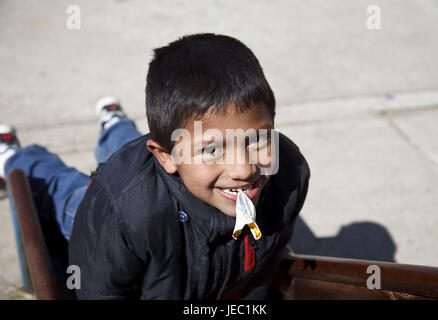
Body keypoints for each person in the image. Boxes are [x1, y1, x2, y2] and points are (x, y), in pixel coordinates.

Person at [0, 33, 310, 300]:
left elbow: (267, 264)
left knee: (128, 143)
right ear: (165, 156)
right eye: (212, 149)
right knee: (62, 190)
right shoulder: (125, 210)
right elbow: (102, 292)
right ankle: (14, 157)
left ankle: (114, 123)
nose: (244, 169)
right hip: (96, 207)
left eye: (257, 139)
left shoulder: (290, 174)